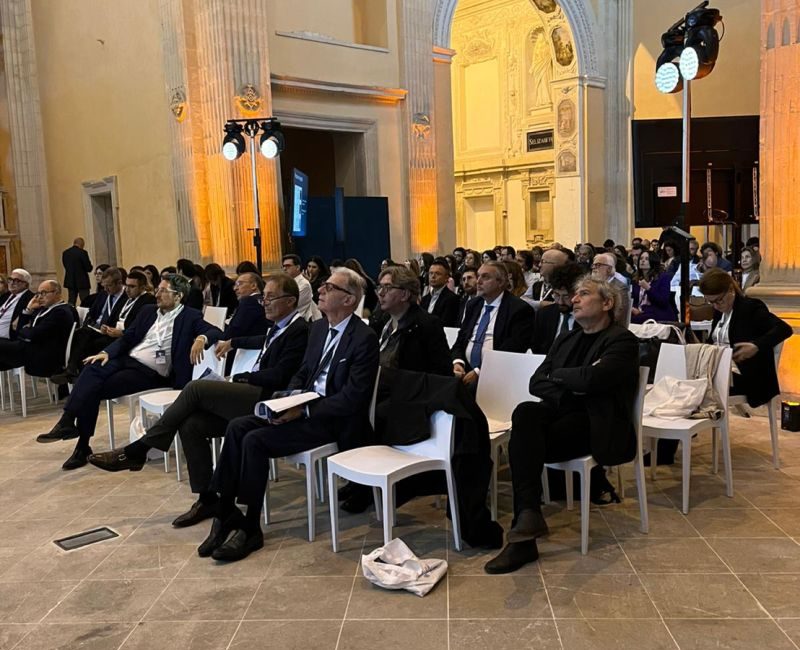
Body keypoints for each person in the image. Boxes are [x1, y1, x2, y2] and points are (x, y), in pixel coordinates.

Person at [88, 274, 309, 528]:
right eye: (264, 298)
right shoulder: (278, 326)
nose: (265, 303)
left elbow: (281, 375)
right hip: (253, 392)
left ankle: (139, 449)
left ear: (290, 301)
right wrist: (233, 342)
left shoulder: (299, 330)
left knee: (195, 388)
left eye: (270, 298)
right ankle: (207, 498)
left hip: (269, 399)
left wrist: (241, 377)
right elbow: (263, 341)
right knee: (191, 424)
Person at [196, 267, 379, 562]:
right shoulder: (319, 329)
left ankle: (250, 526)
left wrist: (303, 409)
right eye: (323, 285)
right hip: (301, 407)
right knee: (237, 427)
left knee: (255, 440)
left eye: (330, 287)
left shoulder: (363, 337)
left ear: (349, 300)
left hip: (332, 421)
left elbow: (352, 398)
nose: (321, 290)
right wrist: (287, 398)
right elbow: (303, 372)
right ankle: (225, 512)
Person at [484, 277, 639, 574]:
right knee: (526, 412)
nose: (574, 299)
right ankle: (527, 519)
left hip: (595, 427)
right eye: (575, 294)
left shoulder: (622, 341)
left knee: (524, 445)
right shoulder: (567, 338)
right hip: (560, 419)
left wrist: (563, 377)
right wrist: (575, 382)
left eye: (584, 294)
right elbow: (536, 382)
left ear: (607, 303)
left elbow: (593, 380)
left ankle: (524, 531)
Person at [37, 275, 223, 471]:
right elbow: (128, 337)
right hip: (127, 359)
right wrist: (106, 352)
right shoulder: (148, 311)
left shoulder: (190, 316)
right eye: (157, 289)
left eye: (163, 291)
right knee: (92, 366)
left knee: (92, 388)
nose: (157, 294)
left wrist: (201, 338)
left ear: (178, 296)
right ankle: (67, 421)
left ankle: (81, 445)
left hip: (151, 372)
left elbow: (216, 331)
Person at [701, 268, 792, 408]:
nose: (716, 306)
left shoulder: (750, 308)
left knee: (700, 387)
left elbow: (784, 329)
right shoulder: (719, 312)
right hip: (722, 370)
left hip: (748, 375)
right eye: (711, 302)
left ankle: (709, 419)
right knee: (691, 379)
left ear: (731, 290)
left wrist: (756, 346)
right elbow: (714, 341)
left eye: (719, 300)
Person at [452, 261, 535, 387]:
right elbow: (461, 339)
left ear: (500, 282)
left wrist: (479, 371)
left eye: (485, 277)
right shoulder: (473, 305)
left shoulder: (519, 309)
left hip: (498, 372)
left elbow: (511, 349)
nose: (478, 281)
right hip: (466, 368)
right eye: (478, 276)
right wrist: (458, 362)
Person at [0, 279, 77, 377]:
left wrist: (26, 331)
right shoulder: (43, 309)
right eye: (38, 293)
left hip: (43, 358)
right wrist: (28, 310)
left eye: (44, 293)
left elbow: (32, 334)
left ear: (57, 293)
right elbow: (19, 330)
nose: (40, 297)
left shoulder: (61, 312)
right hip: (30, 350)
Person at [531, 262, 584, 354]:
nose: (560, 301)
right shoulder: (544, 314)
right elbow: (536, 347)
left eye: (566, 296)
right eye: (556, 295)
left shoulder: (587, 318)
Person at [631, 251, 676, 323]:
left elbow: (663, 301)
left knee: (635, 320)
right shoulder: (636, 279)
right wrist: (633, 308)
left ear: (653, 261)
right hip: (641, 312)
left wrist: (649, 289)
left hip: (658, 313)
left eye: (646, 259)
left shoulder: (663, 277)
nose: (643, 261)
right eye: (641, 258)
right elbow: (634, 299)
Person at [222, 273, 268, 341]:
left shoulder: (248, 302)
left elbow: (232, 332)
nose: (235, 288)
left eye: (239, 284)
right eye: (235, 285)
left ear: (253, 286)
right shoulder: (263, 301)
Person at [592, 252, 631, 328]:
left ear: (609, 269)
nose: (594, 268)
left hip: (610, 328)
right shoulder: (592, 284)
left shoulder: (619, 288)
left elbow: (618, 315)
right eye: (593, 265)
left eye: (598, 265)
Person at [420, 258, 460, 327]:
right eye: (431, 273)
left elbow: (446, 323)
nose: (433, 276)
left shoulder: (452, 299)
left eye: (437, 274)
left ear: (446, 278)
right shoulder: (424, 299)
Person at [281, 254, 321, 321]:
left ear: (297, 267)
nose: (284, 269)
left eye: (288, 266)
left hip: (299, 321)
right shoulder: (284, 282)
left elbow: (290, 306)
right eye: (283, 266)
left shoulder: (304, 284)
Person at [0, 268, 34, 340]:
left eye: (16, 281)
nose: (12, 283)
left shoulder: (30, 298)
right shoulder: (6, 296)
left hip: (9, 339)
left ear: (26, 284)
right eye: (10, 279)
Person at [61, 237, 93, 305]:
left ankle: (71, 311)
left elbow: (65, 265)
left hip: (70, 280)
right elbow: (88, 268)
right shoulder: (83, 252)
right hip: (82, 281)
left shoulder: (65, 253)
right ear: (81, 244)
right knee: (85, 301)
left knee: (71, 301)